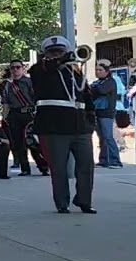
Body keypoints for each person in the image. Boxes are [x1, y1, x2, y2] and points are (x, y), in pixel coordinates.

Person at [29, 36, 96, 214]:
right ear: (46, 54)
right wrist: (62, 59)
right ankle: (62, 203)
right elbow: (45, 69)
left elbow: (86, 96)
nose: (57, 55)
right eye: (53, 52)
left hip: (80, 126)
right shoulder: (39, 69)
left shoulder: (75, 72)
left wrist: (91, 121)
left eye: (60, 52)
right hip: (54, 127)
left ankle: (84, 200)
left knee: (86, 165)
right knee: (58, 168)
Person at [0, 59, 46, 176]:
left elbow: (35, 98)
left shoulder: (29, 82)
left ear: (23, 68)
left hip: (29, 114)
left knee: (32, 141)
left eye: (18, 67)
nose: (15, 70)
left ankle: (43, 166)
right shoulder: (7, 85)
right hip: (14, 115)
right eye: (13, 67)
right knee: (18, 143)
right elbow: (5, 102)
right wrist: (4, 117)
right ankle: (25, 168)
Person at [90, 60, 124, 169]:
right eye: (96, 70)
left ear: (106, 71)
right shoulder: (97, 82)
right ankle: (104, 160)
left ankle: (115, 161)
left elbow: (101, 91)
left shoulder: (110, 82)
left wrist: (92, 88)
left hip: (106, 113)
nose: (98, 72)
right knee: (102, 138)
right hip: (97, 112)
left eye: (100, 70)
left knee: (108, 137)